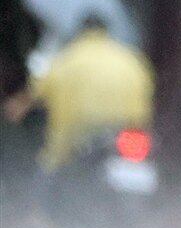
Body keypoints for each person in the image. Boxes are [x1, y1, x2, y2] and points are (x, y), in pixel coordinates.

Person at [3, 13, 155, 204]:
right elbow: (148, 94)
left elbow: (33, 93)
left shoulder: (65, 61)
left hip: (74, 138)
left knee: (45, 174)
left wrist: (14, 108)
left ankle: (37, 218)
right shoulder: (131, 60)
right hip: (126, 135)